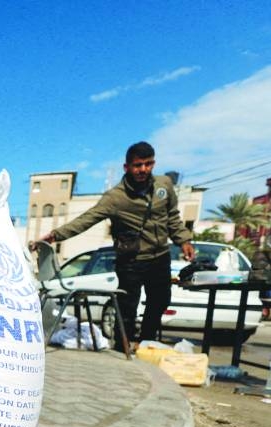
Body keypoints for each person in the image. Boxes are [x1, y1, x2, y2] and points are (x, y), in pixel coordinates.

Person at [31, 141, 195, 348]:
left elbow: (172, 217)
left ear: (153, 163)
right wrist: (55, 235)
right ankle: (122, 345)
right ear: (127, 167)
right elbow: (86, 220)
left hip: (160, 256)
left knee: (160, 300)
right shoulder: (115, 198)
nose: (143, 170)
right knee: (127, 306)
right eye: (137, 165)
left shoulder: (164, 186)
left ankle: (147, 342)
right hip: (131, 260)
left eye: (148, 164)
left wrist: (184, 240)